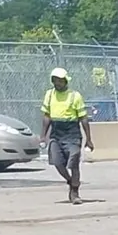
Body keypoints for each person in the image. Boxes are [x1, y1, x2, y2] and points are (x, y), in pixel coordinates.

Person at [39, 67, 94, 204]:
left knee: (73, 161)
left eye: (60, 80)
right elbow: (47, 116)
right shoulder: (49, 95)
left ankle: (75, 192)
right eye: (55, 80)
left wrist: (88, 139)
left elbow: (83, 118)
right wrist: (43, 136)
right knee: (57, 162)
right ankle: (71, 181)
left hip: (72, 133)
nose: (57, 83)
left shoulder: (75, 96)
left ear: (65, 81)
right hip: (56, 133)